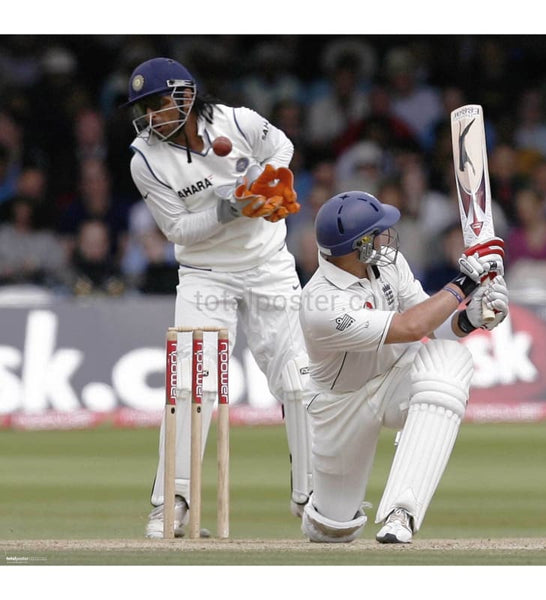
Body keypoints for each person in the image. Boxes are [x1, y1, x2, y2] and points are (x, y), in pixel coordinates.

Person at [122, 57, 312, 538]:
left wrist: (271, 179)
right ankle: (173, 504)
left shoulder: (237, 120)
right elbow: (178, 229)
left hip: (269, 264)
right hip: (206, 273)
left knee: (298, 378)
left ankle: (315, 497)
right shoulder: (144, 159)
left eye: (159, 103)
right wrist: (232, 207)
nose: (151, 116)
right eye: (143, 108)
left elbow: (282, 145)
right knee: (191, 384)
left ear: (185, 96)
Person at [299, 190, 507, 544]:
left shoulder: (388, 264)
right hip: (341, 403)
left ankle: (402, 512)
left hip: (397, 376)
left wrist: (471, 319)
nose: (386, 238)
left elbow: (431, 325)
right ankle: (321, 510)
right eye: (378, 233)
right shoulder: (321, 304)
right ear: (359, 245)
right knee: (331, 530)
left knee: (449, 361)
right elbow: (408, 328)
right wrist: (463, 285)